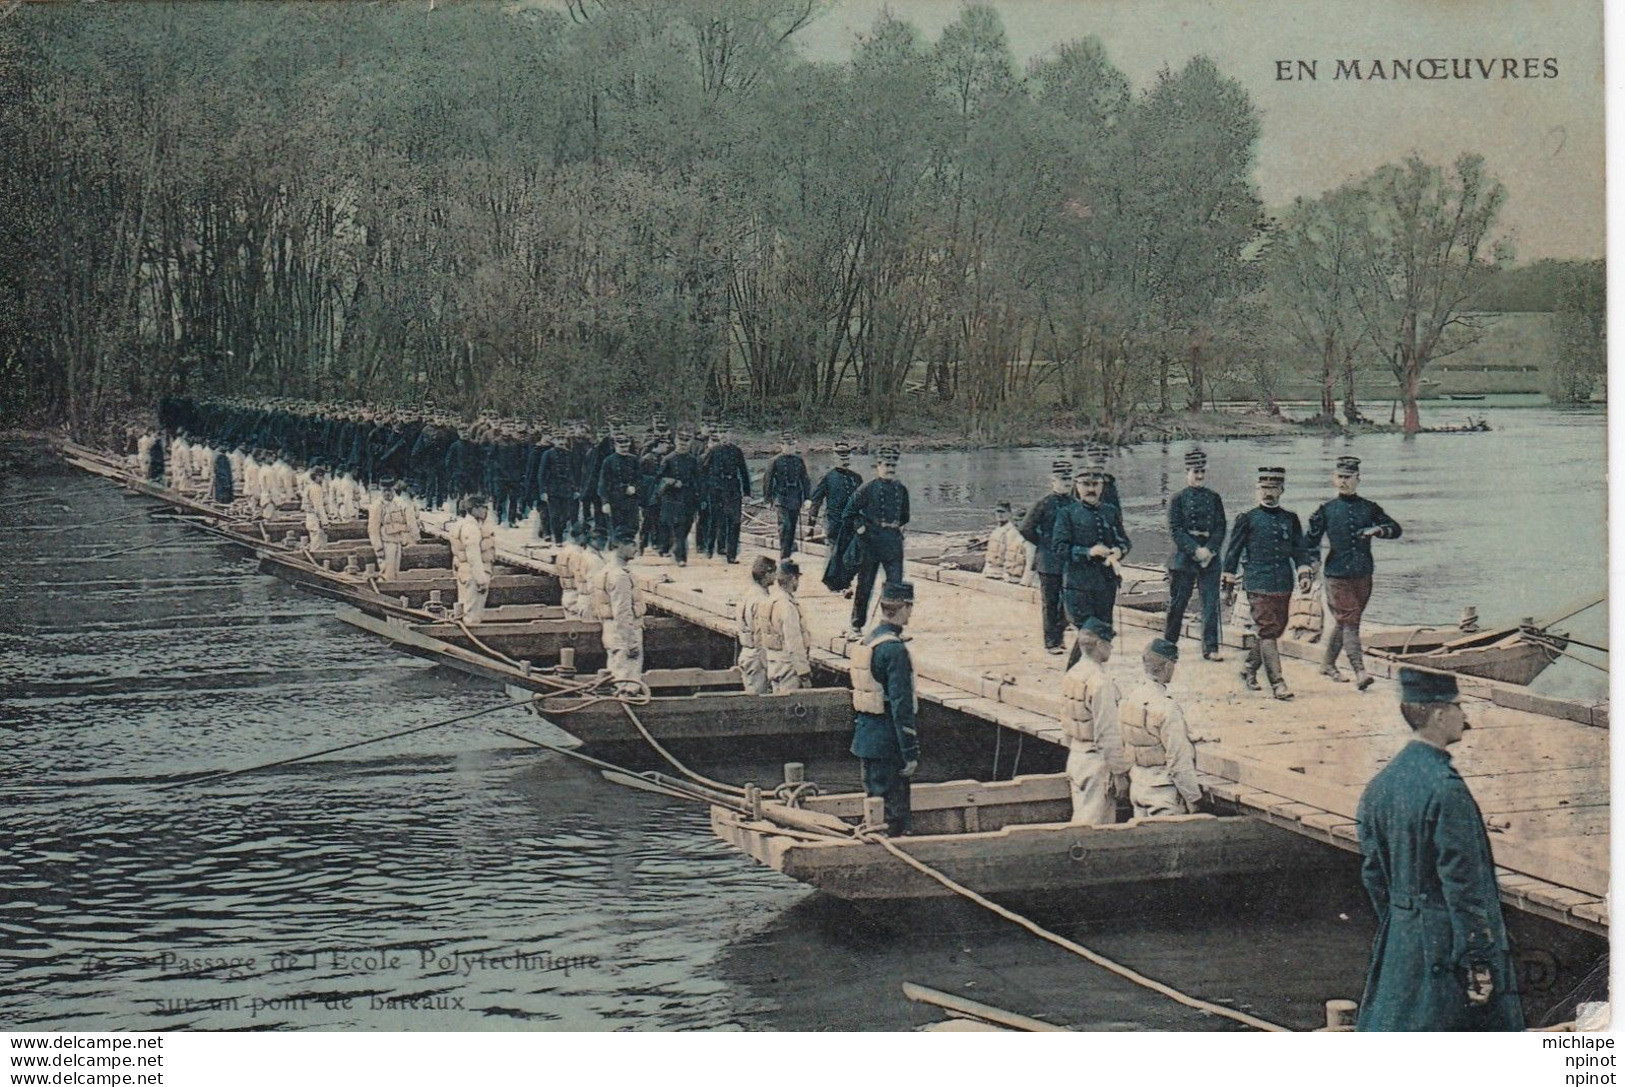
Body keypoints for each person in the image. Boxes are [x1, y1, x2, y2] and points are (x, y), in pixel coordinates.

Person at [1354, 668, 1524, 1032]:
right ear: (1439, 714)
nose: (1466, 717)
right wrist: (1478, 960)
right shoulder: (1447, 791)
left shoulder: (1380, 785)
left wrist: (1403, 921)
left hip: (1401, 942)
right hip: (1447, 951)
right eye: (1459, 707)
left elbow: (1373, 873)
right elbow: (1464, 887)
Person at [1307, 455, 1403, 690]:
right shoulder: (1325, 510)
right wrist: (1311, 564)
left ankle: (1327, 664)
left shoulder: (1369, 508)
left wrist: (1377, 530)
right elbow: (1310, 542)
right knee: (1350, 621)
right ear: (1334, 479)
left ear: (1358, 479)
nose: (1344, 482)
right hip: (1336, 575)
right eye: (1340, 477)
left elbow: (1396, 529)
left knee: (1345, 621)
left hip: (1363, 574)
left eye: (1348, 478)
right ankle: (1360, 671)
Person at [1222, 467, 1314, 700]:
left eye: (1273, 488)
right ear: (1257, 490)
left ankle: (1249, 668)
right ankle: (1278, 683)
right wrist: (1228, 586)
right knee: (1266, 630)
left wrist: (1304, 574)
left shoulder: (1290, 519)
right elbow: (1232, 553)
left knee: (1274, 631)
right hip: (1257, 583)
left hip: (1283, 583)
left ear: (1282, 489)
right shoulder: (1247, 518)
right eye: (1264, 488)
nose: (1268, 493)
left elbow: (1300, 551)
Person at [849, 580, 919, 836]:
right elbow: (902, 706)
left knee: (874, 803)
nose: (911, 613)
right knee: (894, 815)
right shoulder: (894, 650)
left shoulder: (868, 641)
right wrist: (910, 752)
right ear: (904, 607)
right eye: (910, 607)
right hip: (889, 744)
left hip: (866, 739)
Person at [1054, 462, 1131, 665]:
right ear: (1077, 486)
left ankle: (1093, 677)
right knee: (1088, 633)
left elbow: (1124, 540)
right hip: (1078, 586)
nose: (1091, 489)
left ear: (1102, 486)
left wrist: (1119, 551)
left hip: (1106, 585)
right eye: (1086, 484)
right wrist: (1088, 552)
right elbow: (1059, 548)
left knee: (1103, 634)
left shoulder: (1110, 511)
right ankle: (1073, 675)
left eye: (1095, 484)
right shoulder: (1067, 513)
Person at [1120, 638, 1203, 817]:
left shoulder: (1130, 698)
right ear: (1166, 666)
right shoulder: (1167, 708)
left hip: (1138, 786)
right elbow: (1178, 759)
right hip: (1162, 792)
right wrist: (1193, 798)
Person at [1060, 617, 1129, 825]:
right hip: (1095, 762)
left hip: (1076, 757)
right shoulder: (1100, 682)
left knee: (1081, 819)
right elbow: (1107, 733)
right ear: (1099, 645)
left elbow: (1066, 721)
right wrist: (1119, 772)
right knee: (1096, 830)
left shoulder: (1072, 674)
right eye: (1109, 643)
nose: (1112, 647)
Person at [1164, 447, 1228, 661]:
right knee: (1178, 603)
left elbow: (1221, 527)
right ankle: (1169, 644)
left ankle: (1210, 647)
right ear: (1187, 472)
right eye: (1195, 471)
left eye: (1202, 472)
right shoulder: (1177, 499)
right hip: (1184, 558)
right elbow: (1175, 530)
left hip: (1210, 558)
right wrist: (1195, 550)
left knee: (1210, 603)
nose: (1199, 476)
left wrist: (1209, 550)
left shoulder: (1215, 498)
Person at [841, 445, 909, 637]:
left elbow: (904, 516)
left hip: (893, 543)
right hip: (871, 542)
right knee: (865, 584)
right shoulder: (868, 488)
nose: (890, 469)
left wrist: (898, 529)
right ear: (878, 466)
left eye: (893, 465)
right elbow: (849, 512)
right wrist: (860, 528)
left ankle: (893, 627)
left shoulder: (901, 489)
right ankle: (856, 625)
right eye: (886, 465)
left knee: (895, 586)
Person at [1017, 461, 1075, 654]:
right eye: (1062, 479)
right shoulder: (1043, 504)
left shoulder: (1076, 504)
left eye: (1069, 478)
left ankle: (1058, 635)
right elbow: (1025, 528)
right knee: (1050, 602)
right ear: (1053, 481)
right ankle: (1052, 642)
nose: (1066, 482)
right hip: (1048, 561)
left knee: (1069, 602)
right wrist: (1044, 544)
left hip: (1070, 561)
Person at [591, 532, 647, 693]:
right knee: (628, 683)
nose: (635, 549)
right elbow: (622, 612)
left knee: (617, 674)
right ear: (619, 546)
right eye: (632, 544)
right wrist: (631, 642)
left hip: (611, 631)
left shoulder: (606, 571)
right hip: (624, 634)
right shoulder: (620, 576)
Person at [702, 424, 752, 563]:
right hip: (716, 489)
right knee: (716, 521)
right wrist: (704, 492)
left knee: (735, 522)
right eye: (721, 432)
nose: (723, 434)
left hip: (733, 489)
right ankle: (710, 547)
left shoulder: (737, 451)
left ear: (731, 434)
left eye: (726, 432)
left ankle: (732, 555)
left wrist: (747, 492)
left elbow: (743, 472)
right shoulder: (713, 451)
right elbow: (703, 471)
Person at [762, 560, 813, 693]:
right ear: (793, 578)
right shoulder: (787, 607)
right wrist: (804, 673)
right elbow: (794, 644)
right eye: (797, 579)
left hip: (773, 663)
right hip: (789, 667)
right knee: (792, 709)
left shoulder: (769, 601)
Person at [656, 430, 703, 566]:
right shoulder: (668, 459)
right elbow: (659, 479)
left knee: (687, 525)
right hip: (673, 498)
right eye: (681, 443)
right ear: (676, 442)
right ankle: (681, 557)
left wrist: (700, 496)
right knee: (679, 527)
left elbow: (698, 479)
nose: (683, 446)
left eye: (686, 443)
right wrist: (671, 481)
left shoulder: (693, 460)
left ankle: (676, 548)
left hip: (689, 498)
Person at [764, 433, 811, 559]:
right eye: (787, 445)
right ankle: (784, 556)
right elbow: (767, 480)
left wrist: (807, 498)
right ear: (782, 445)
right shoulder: (775, 461)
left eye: (792, 445)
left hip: (795, 498)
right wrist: (768, 500)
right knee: (785, 527)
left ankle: (788, 555)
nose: (790, 448)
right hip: (781, 498)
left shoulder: (799, 460)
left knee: (792, 528)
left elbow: (805, 479)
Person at [450, 494, 496, 625]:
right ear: (475, 509)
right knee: (473, 614)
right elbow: (473, 556)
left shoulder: (463, 524)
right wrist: (481, 580)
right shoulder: (471, 528)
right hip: (473, 575)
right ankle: (470, 641)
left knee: (466, 608)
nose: (486, 511)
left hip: (465, 572)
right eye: (483, 507)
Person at [808, 440, 862, 544]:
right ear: (834, 457)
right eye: (840, 455)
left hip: (852, 525)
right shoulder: (828, 478)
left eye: (846, 454)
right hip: (834, 525)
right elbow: (816, 502)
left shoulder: (857, 478)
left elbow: (864, 504)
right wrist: (811, 527)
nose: (844, 458)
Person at [736, 556, 775, 695]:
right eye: (773, 573)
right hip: (757, 657)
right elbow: (760, 635)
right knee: (759, 703)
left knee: (750, 696)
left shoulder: (747, 595)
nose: (775, 577)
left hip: (746, 652)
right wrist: (768, 665)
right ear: (767, 574)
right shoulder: (762, 600)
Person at [597, 430, 642, 542]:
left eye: (626, 446)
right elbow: (603, 483)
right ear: (615, 446)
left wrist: (635, 487)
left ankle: (628, 552)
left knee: (632, 527)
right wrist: (605, 502)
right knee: (617, 529)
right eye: (621, 446)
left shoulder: (634, 460)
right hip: (615, 500)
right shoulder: (609, 461)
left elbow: (639, 478)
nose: (624, 449)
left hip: (631, 500)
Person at [378, 479, 420, 581]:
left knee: (390, 569)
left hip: (393, 538)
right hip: (396, 538)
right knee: (391, 570)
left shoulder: (398, 501)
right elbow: (411, 522)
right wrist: (417, 537)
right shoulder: (404, 502)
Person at [983, 502, 1019, 581]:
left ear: (1009, 514)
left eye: (1003, 512)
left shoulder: (1012, 532)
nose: (1000, 515)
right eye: (998, 512)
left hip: (1001, 573)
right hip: (990, 570)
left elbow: (1012, 556)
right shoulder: (996, 531)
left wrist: (1006, 574)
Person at [301, 463, 332, 550]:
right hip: (316, 519)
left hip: (311, 517)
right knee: (318, 545)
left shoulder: (309, 486)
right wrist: (325, 522)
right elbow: (319, 507)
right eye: (321, 476)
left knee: (315, 541)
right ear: (317, 476)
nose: (322, 478)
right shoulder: (316, 488)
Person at [1005, 506, 1035, 585]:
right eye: (1014, 520)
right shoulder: (1010, 535)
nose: (1016, 523)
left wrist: (1024, 582)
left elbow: (1030, 565)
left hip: (1021, 580)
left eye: (1019, 520)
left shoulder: (1030, 540)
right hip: (1008, 578)